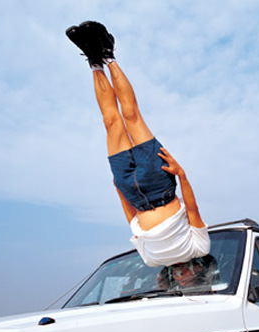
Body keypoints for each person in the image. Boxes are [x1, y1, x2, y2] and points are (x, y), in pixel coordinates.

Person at [66, 21, 210, 267]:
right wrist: (182, 175)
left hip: (132, 193)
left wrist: (119, 190)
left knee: (111, 122)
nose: (181, 277)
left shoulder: (152, 261)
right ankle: (109, 55)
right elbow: (193, 211)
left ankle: (94, 60)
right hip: (159, 185)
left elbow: (131, 220)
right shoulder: (200, 250)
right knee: (131, 116)